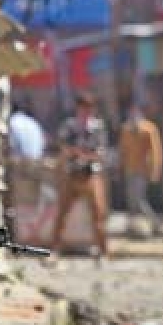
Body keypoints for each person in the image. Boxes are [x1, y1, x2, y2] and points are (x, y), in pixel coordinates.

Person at [50, 92, 109, 258]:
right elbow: (63, 147)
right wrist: (76, 152)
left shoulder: (97, 127)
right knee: (62, 214)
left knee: (98, 215)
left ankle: (103, 251)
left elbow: (100, 152)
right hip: (72, 175)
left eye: (88, 108)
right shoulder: (69, 126)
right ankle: (55, 249)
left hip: (91, 176)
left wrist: (83, 154)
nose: (86, 112)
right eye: (83, 108)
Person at [118, 103, 163, 237]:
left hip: (143, 169)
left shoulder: (149, 128)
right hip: (129, 168)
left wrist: (155, 170)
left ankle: (155, 223)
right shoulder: (125, 129)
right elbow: (123, 150)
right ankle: (132, 226)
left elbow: (156, 151)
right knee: (131, 199)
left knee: (139, 199)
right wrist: (120, 167)